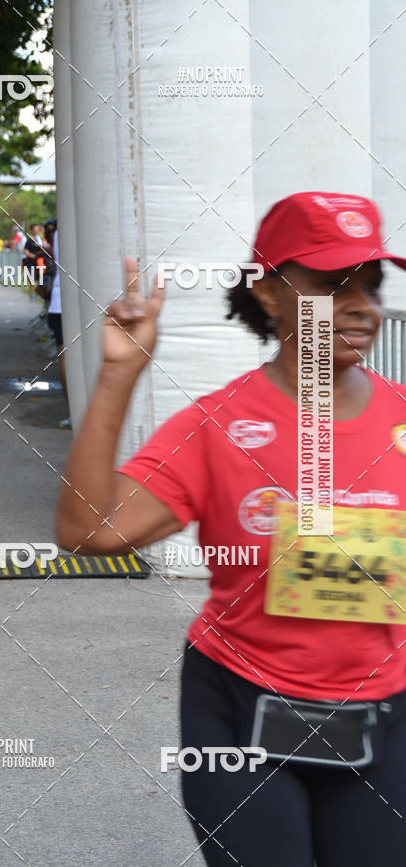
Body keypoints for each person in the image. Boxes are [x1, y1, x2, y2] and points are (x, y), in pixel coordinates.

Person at [56, 191, 406, 866]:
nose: (363, 305)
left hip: (386, 718)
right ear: (268, 292)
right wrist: (120, 374)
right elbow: (88, 529)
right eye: (333, 285)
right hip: (241, 715)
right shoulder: (219, 427)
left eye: (371, 285)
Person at [45, 223, 70, 429]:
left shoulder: (59, 234)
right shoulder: (79, 228)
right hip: (69, 302)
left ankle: (72, 412)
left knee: (66, 358)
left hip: (59, 302)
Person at [23, 223, 46, 301]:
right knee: (31, 280)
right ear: (32, 230)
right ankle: (32, 295)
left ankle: (40, 294)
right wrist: (33, 256)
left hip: (40, 263)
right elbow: (25, 251)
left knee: (41, 280)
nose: (37, 231)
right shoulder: (29, 240)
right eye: (35, 229)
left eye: (38, 229)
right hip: (31, 263)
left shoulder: (40, 239)